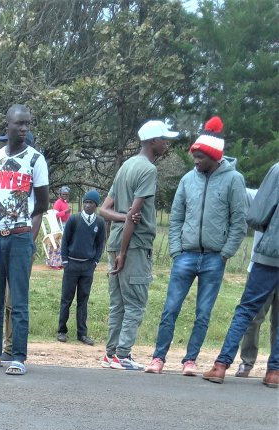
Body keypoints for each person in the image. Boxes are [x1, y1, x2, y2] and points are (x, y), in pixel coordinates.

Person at [144, 117, 247, 375]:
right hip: (185, 256)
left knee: (203, 313)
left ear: (213, 156)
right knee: (170, 309)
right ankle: (158, 358)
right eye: (195, 157)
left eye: (201, 157)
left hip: (214, 258)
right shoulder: (188, 180)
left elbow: (239, 222)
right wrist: (176, 250)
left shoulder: (234, 180)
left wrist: (225, 254)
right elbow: (176, 216)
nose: (196, 162)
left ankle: (190, 360)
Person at [0, 105, 49, 376]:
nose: (24, 128)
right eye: (19, 124)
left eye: (27, 124)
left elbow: (41, 205)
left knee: (18, 301)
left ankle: (18, 357)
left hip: (19, 238)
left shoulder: (36, 160)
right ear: (8, 125)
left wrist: (29, 238)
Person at [99, 119, 178, 370]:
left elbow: (105, 209)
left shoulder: (126, 166)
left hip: (116, 242)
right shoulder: (148, 170)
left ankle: (110, 354)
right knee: (135, 302)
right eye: (164, 139)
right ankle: (123, 355)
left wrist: (122, 220)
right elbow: (135, 214)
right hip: (132, 245)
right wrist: (123, 251)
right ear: (153, 141)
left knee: (118, 304)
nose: (166, 143)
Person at [203, 162, 279, 388]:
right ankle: (274, 371)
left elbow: (257, 214)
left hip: (270, 254)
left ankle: (221, 366)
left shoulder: (277, 169)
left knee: (246, 310)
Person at [235, 190, 277, 378]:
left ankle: (274, 367)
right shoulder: (260, 195)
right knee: (253, 317)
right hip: (260, 266)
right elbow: (238, 187)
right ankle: (247, 362)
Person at [57, 190, 105, 345]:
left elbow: (100, 244)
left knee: (83, 300)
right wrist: (64, 261)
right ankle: (62, 331)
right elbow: (65, 241)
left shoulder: (99, 222)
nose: (87, 205)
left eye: (91, 203)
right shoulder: (74, 219)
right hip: (71, 263)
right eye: (85, 202)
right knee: (66, 299)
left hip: (87, 266)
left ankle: (82, 334)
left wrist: (95, 261)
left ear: (96, 205)